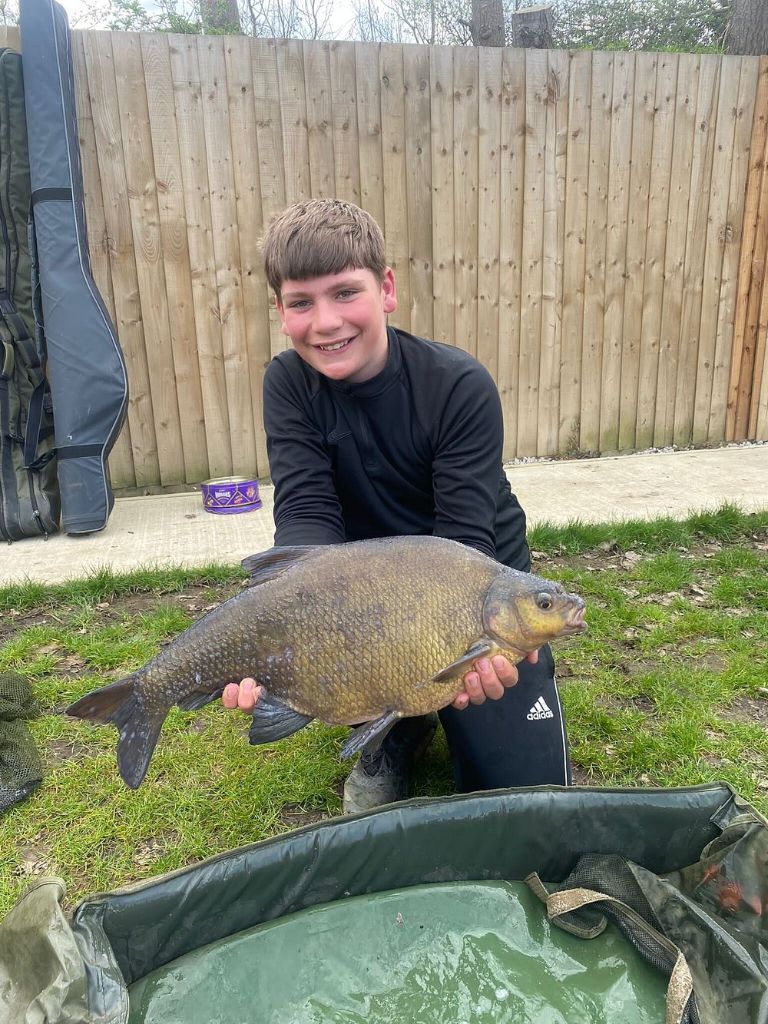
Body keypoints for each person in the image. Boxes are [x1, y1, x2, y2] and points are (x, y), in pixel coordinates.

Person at [222, 198, 570, 813]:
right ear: (280, 312)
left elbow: (466, 543)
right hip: (363, 584)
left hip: (472, 575)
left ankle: (427, 704)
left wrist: (473, 644)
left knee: (521, 791)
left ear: (386, 288)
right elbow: (306, 516)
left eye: (344, 293)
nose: (325, 322)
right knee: (331, 658)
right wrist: (279, 626)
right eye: (301, 303)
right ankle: (395, 726)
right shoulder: (287, 384)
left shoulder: (458, 385)